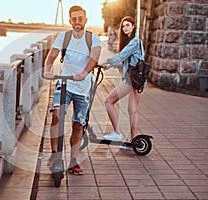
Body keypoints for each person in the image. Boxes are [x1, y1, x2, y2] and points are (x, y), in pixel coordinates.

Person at [43, 5, 101, 175]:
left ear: (85, 20)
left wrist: (84, 73)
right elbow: (52, 55)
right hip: (65, 83)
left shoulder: (93, 38)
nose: (77, 22)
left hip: (83, 87)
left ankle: (73, 162)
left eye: (80, 18)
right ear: (70, 21)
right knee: (56, 115)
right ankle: (55, 155)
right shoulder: (64, 37)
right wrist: (47, 70)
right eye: (74, 19)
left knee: (78, 125)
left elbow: (94, 57)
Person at [99, 16, 145, 150]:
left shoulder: (134, 41)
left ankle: (117, 133)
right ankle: (133, 142)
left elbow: (120, 56)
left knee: (109, 101)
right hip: (138, 80)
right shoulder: (135, 41)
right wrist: (109, 66)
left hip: (131, 80)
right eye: (123, 26)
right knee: (133, 111)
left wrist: (103, 62)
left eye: (128, 25)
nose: (125, 28)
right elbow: (124, 61)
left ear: (133, 26)